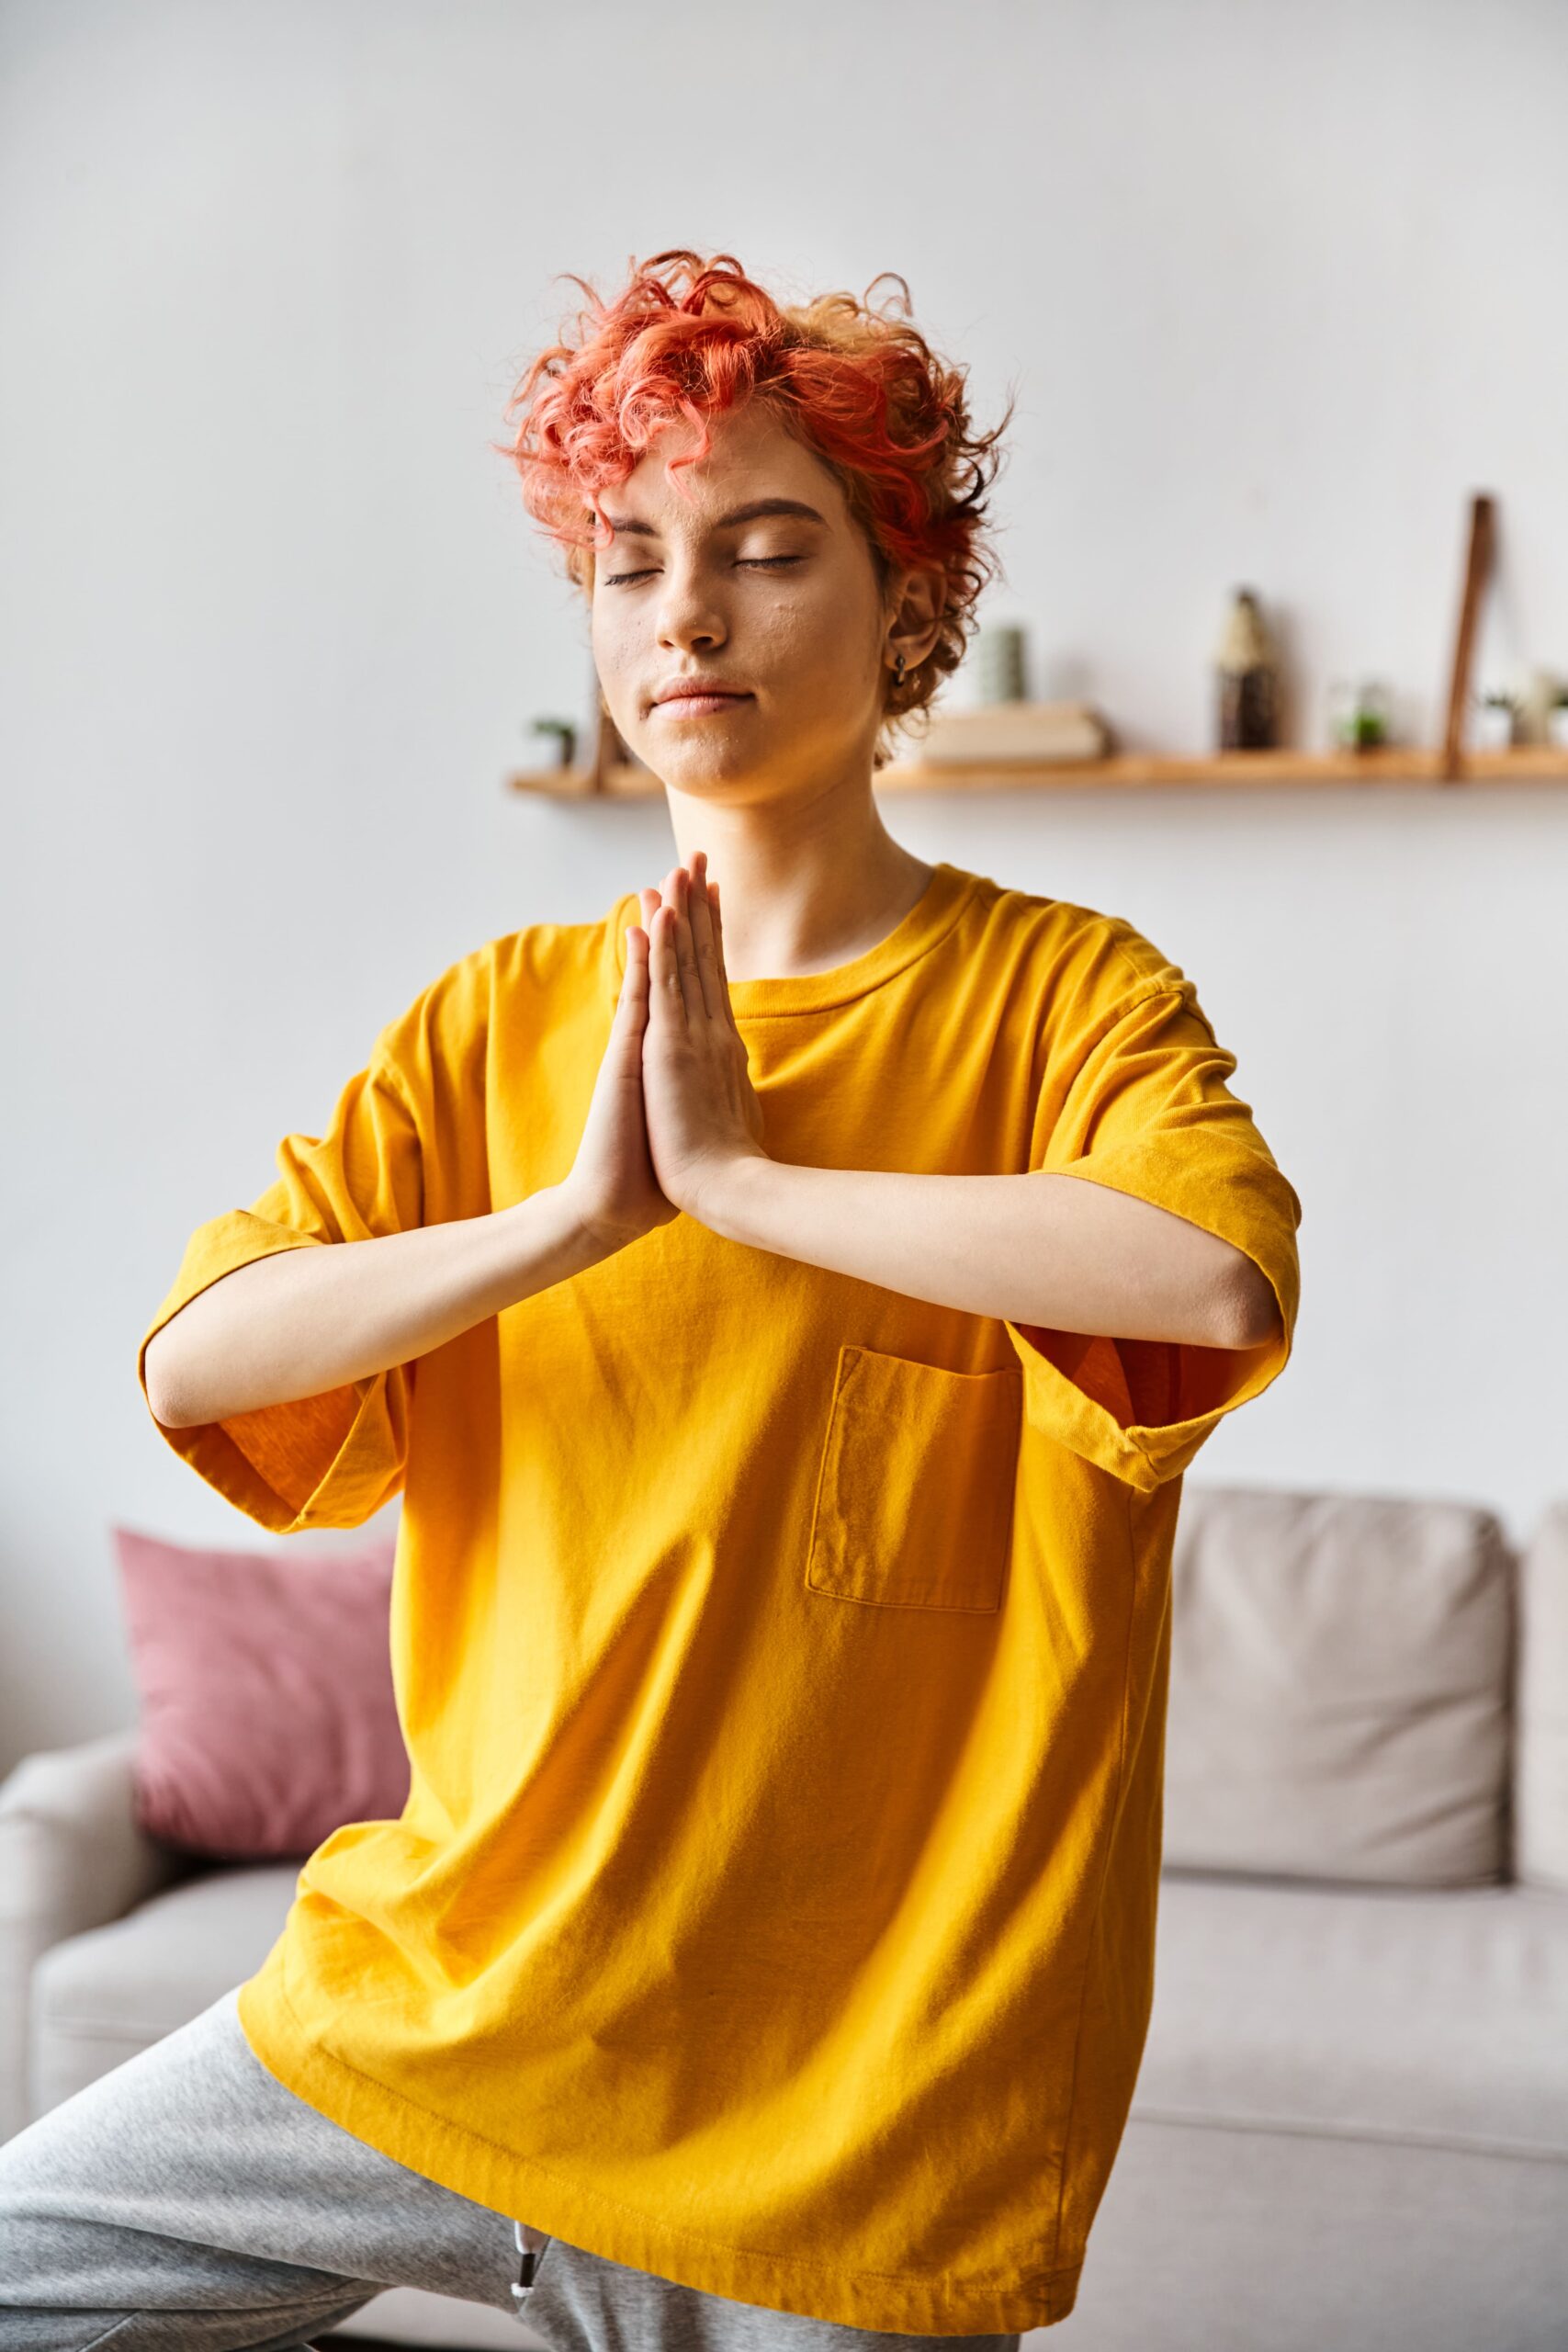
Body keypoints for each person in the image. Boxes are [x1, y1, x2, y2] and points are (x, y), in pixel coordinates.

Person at [0, 248, 1302, 2349]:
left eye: (763, 550)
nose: (684, 613)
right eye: (627, 562)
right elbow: (199, 1356)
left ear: (905, 601)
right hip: (437, 2016)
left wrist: (751, 1187)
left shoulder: (1067, 997)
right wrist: (572, 1220)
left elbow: (1208, 1276)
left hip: (844, 2138)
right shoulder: (495, 1022)